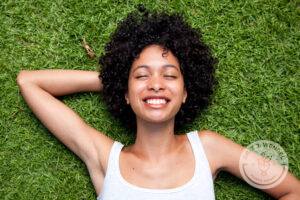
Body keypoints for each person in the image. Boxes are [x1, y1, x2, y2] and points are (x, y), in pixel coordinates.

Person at [17, 7, 299, 200]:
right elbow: (30, 82)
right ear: (125, 93)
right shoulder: (105, 158)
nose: (155, 84)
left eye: (170, 76)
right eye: (142, 75)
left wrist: (131, 81)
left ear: (186, 92)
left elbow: (292, 191)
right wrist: (117, 80)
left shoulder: (209, 149)